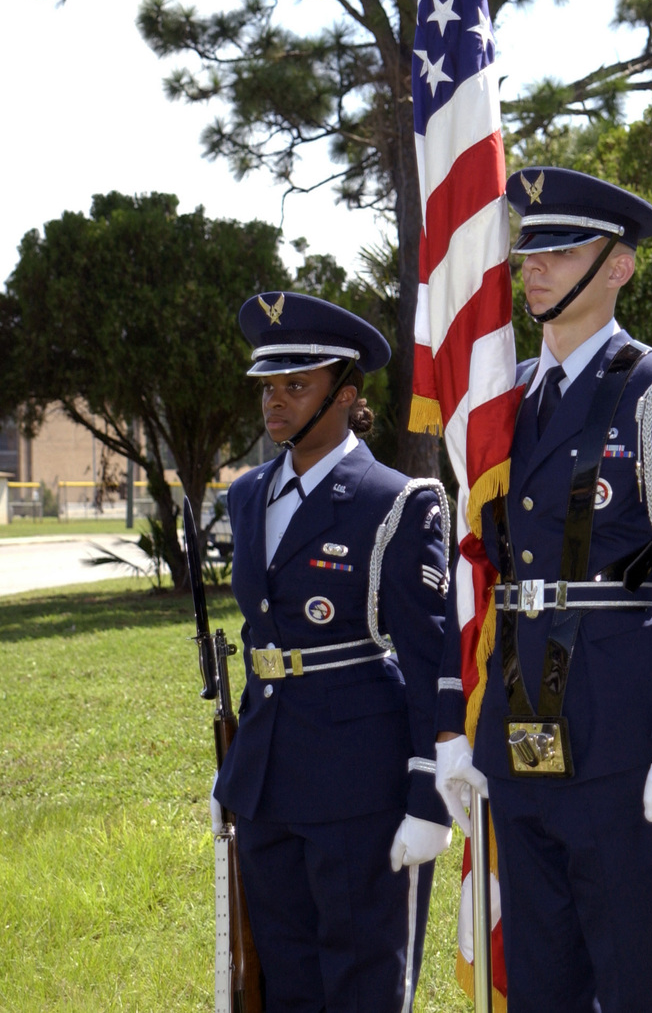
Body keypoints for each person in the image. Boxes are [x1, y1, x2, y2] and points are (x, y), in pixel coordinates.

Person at [431, 167, 652, 1013]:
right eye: (530, 247)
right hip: (517, 718)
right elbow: (479, 567)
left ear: (618, 267)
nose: (535, 266)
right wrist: (459, 721)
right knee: (539, 976)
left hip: (619, 729)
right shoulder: (503, 405)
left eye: (562, 250)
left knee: (634, 973)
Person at [214, 291, 454, 1011]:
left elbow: (428, 659)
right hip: (268, 778)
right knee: (283, 975)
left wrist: (428, 795)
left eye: (297, 385)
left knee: (362, 977)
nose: (275, 402)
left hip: (360, 781)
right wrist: (240, 764)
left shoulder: (398, 500)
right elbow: (262, 636)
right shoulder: (248, 494)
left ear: (345, 397)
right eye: (270, 386)